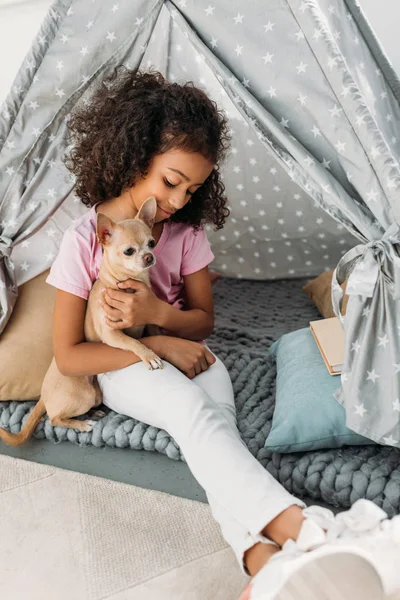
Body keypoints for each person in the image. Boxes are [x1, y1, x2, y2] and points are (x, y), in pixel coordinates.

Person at [46, 68, 399, 600]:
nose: (180, 199)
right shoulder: (84, 240)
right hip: (122, 364)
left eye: (192, 188)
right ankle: (306, 529)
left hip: (188, 350)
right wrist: (157, 343)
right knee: (192, 415)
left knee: (217, 427)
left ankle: (262, 563)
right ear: (134, 157)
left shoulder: (185, 233)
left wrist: (161, 316)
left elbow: (203, 322)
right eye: (170, 182)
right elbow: (71, 357)